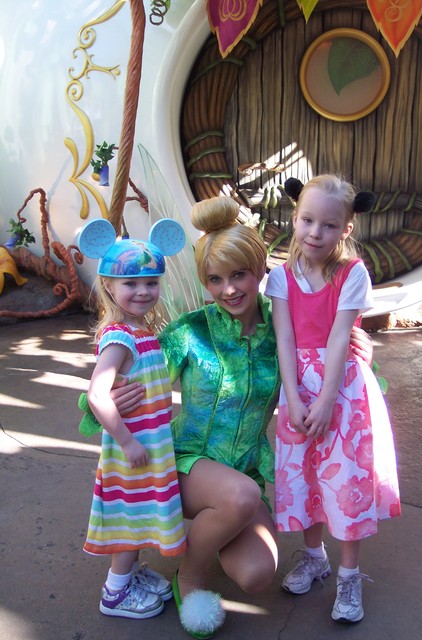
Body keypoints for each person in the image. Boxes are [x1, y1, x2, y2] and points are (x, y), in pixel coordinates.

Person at [107, 195, 374, 638]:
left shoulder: (281, 329)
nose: (228, 289)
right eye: (215, 279)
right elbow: (136, 368)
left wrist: (364, 350)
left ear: (259, 272)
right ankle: (189, 574)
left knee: (256, 573)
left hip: (244, 474)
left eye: (239, 275)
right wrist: (110, 396)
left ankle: (216, 526)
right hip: (186, 466)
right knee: (241, 496)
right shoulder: (191, 331)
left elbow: (333, 342)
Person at [264, 175, 401, 624]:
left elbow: (341, 335)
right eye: (307, 220)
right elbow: (284, 337)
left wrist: (324, 400)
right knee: (304, 475)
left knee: (345, 482)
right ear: (294, 217)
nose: (314, 233)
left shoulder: (352, 273)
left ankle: (348, 574)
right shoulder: (281, 276)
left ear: (347, 227)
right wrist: (294, 398)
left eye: (328, 225)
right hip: (297, 389)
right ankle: (314, 555)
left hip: (341, 391)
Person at [77, 218, 188, 620]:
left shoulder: (141, 330)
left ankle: (132, 574)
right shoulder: (120, 336)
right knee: (129, 516)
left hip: (148, 443)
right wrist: (126, 440)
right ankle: (116, 591)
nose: (143, 291)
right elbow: (97, 394)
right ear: (108, 285)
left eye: (151, 282)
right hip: (133, 449)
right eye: (131, 283)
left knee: (140, 512)